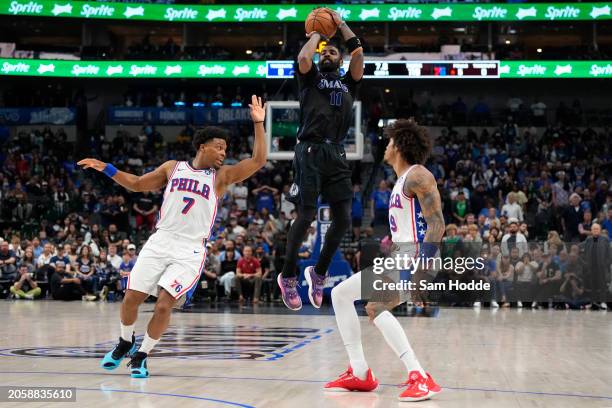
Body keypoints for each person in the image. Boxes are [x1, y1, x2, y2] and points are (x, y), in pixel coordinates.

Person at [78, 95, 267, 378]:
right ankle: (124, 342)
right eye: (218, 148)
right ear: (202, 147)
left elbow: (258, 160)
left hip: (190, 250)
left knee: (165, 304)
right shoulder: (172, 167)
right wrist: (107, 167)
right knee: (131, 298)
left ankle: (141, 355)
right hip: (161, 240)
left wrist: (259, 124)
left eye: (225, 149)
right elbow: (138, 184)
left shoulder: (221, 177)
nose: (223, 153)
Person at [325, 120, 444, 401]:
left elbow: (437, 225)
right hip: (400, 255)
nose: (386, 146)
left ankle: (419, 376)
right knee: (341, 294)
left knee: (376, 307)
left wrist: (423, 268)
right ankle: (360, 372)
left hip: (415, 255)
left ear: (399, 146)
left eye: (390, 142)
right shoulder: (400, 181)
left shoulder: (419, 175)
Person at [278, 9, 364, 311]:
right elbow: (303, 60)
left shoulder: (349, 82)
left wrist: (339, 25)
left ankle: (319, 272)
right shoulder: (310, 77)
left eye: (332, 52)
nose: (327, 54)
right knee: (305, 215)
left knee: (343, 219)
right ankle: (287, 276)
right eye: (323, 52)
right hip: (310, 150)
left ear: (339, 59)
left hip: (336, 151)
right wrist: (316, 33)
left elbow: (358, 51)